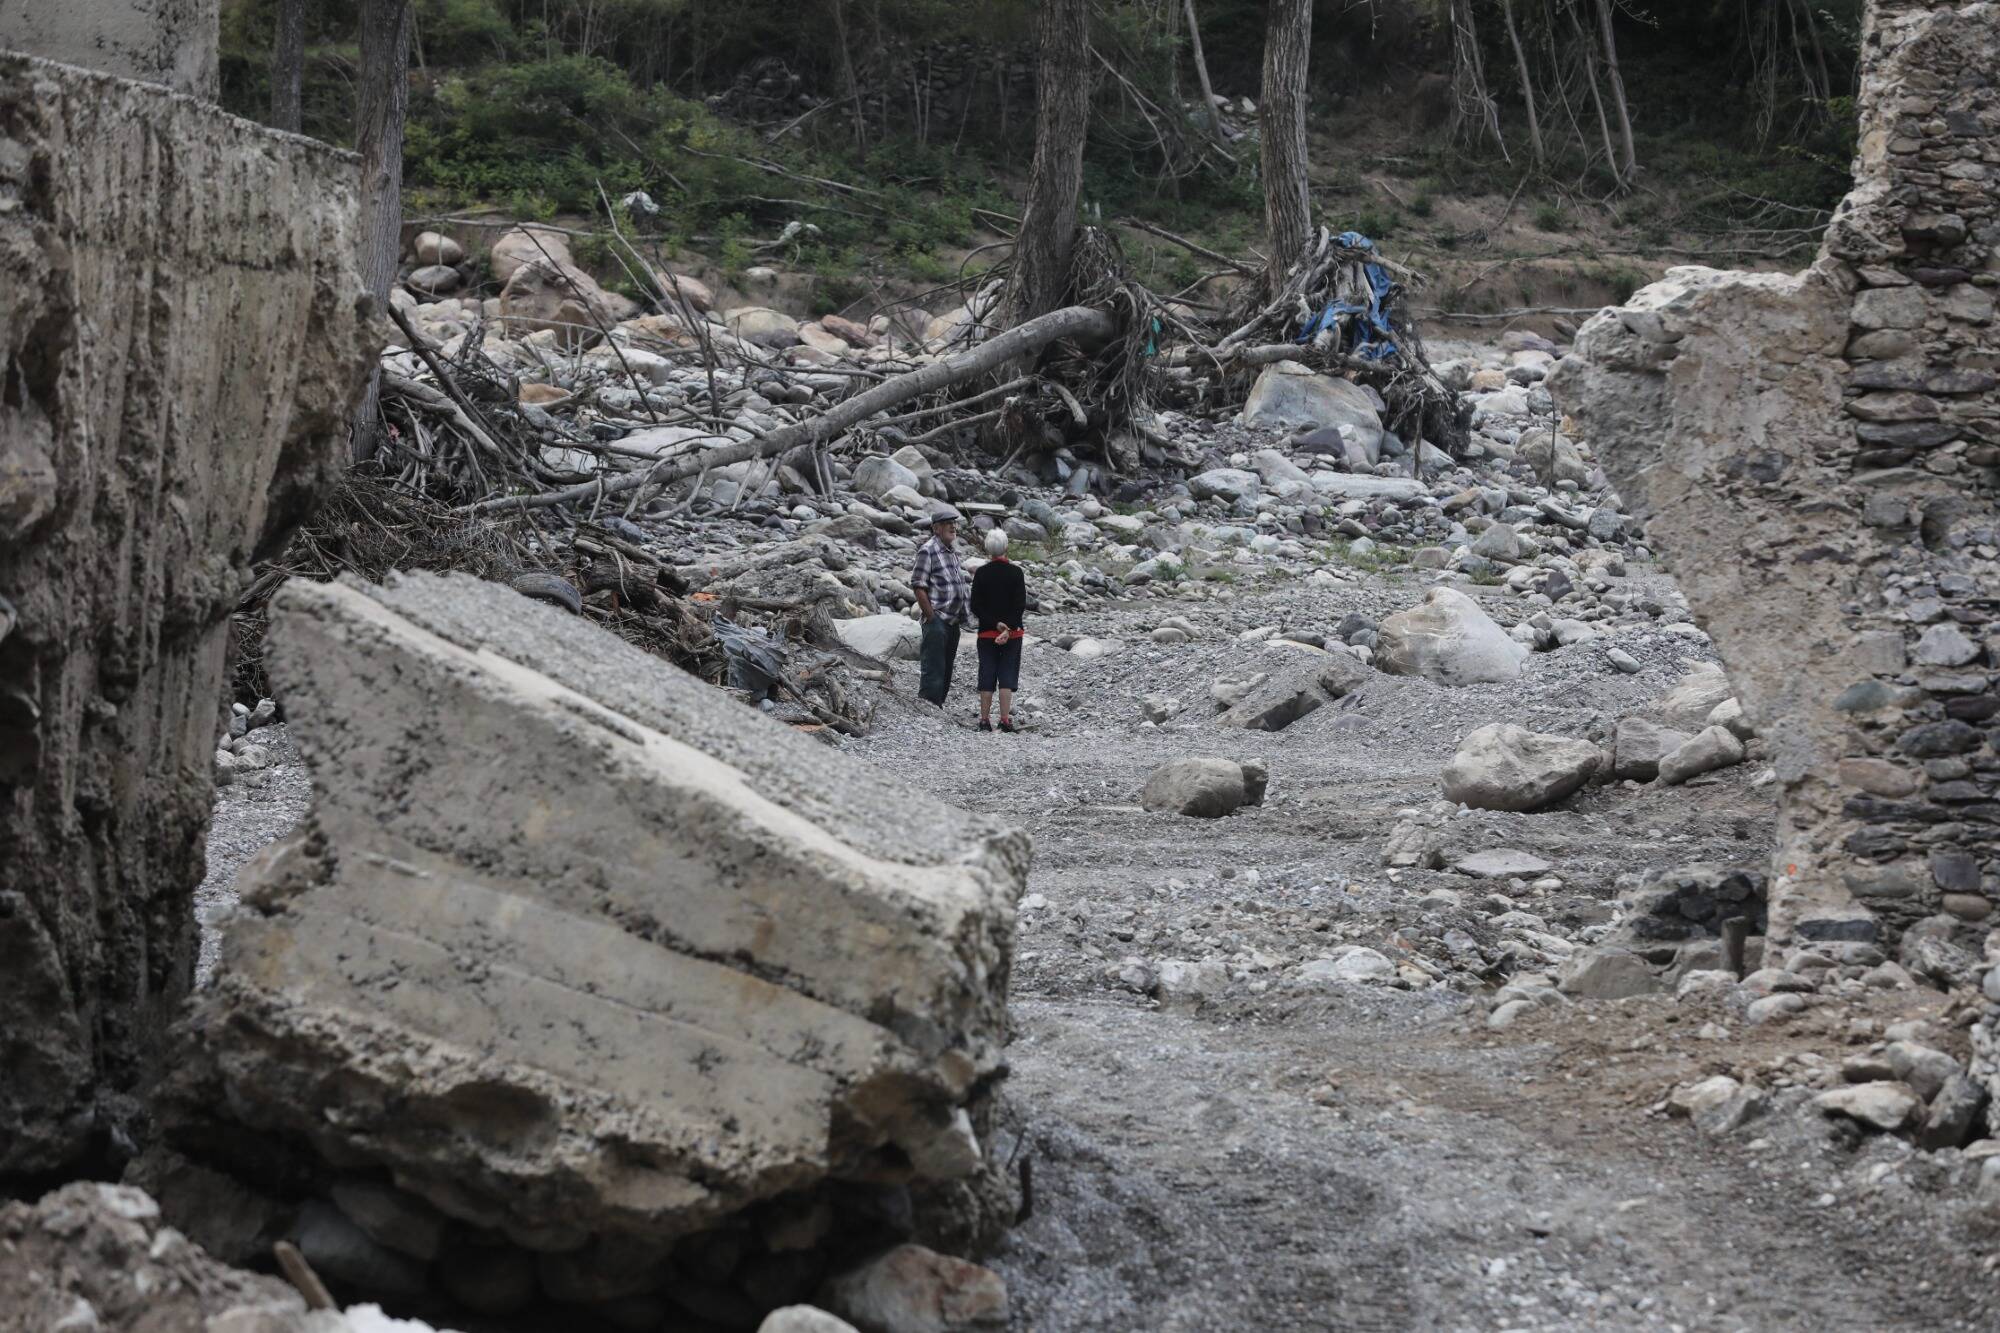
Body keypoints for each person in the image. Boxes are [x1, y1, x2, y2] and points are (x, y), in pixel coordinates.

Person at [910, 505, 970, 708]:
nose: (953, 527)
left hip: (953, 620)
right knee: (933, 666)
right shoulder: (928, 550)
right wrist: (931, 616)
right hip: (937, 619)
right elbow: (918, 585)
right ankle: (927, 706)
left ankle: (938, 705)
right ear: (936, 528)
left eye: (954, 523)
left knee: (946, 666)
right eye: (948, 524)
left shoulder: (951, 551)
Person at [969, 528, 1026, 733]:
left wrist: (995, 625)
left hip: (987, 633)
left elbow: (975, 606)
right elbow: (1019, 606)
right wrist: (1007, 628)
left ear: (987, 550)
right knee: (1007, 675)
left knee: (987, 673)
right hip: (1013, 634)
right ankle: (1005, 720)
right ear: (1006, 547)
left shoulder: (981, 573)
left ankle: (984, 720)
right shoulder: (1016, 573)